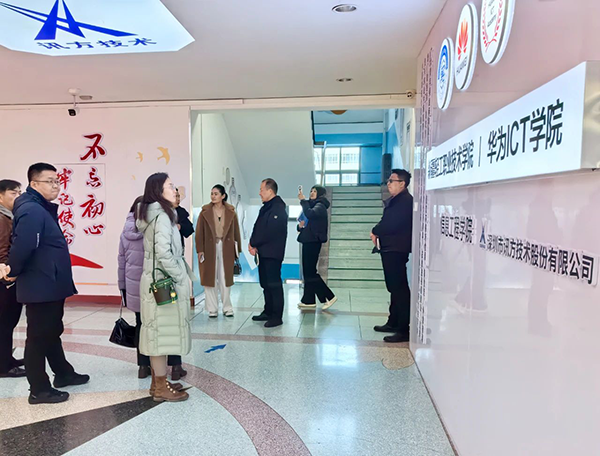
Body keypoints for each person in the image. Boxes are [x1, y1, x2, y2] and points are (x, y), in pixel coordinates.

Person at [7, 163, 89, 404]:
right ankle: (39, 389)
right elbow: (24, 245)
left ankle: (63, 373)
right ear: (34, 184)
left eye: (57, 181)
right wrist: (13, 271)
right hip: (41, 283)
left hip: (48, 281)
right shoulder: (32, 209)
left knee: (51, 331)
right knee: (38, 336)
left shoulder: (38, 207)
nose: (56, 186)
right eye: (50, 181)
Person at [137, 172, 192, 402]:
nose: (175, 190)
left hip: (155, 282)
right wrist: (180, 276)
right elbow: (163, 253)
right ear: (158, 192)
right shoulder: (162, 217)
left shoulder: (154, 214)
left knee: (158, 333)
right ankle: (160, 387)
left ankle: (157, 383)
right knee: (160, 336)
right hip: (164, 284)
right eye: (170, 186)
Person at [117, 196, 187, 380]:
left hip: (134, 288)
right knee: (168, 323)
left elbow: (121, 262)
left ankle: (143, 366)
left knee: (142, 325)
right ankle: (175, 366)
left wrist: (122, 287)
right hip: (158, 285)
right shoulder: (156, 227)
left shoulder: (125, 231)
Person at [371, 169, 413, 343]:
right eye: (388, 181)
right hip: (390, 249)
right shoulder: (397, 201)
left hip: (396, 249)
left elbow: (391, 224)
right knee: (394, 288)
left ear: (402, 183)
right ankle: (393, 322)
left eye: (391, 181)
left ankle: (403, 330)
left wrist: (375, 230)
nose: (388, 184)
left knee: (399, 289)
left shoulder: (404, 201)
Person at [196, 185, 242, 318]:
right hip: (209, 248)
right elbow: (199, 232)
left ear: (223, 196)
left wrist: (237, 250)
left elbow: (236, 232)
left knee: (225, 278)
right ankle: (212, 309)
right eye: (212, 193)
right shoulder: (204, 212)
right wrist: (200, 250)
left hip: (226, 246)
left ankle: (227, 307)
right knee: (209, 278)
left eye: (216, 194)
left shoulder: (231, 212)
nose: (213, 196)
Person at [249, 178, 288, 328]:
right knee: (266, 284)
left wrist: (255, 242)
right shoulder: (267, 207)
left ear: (270, 191)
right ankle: (268, 311)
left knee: (274, 284)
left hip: (272, 253)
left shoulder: (278, 208)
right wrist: (252, 242)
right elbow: (258, 227)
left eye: (261, 190)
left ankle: (277, 316)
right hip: (264, 252)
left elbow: (270, 231)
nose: (259, 193)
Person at [0, 179, 26, 378]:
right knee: (4, 323)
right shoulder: (2, 219)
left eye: (19, 192)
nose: (18, 196)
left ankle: (7, 359)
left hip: (7, 278)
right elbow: (2, 250)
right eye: (13, 193)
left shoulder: (9, 216)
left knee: (8, 323)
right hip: (4, 279)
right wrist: (7, 274)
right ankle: (4, 366)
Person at [297, 185, 337, 310]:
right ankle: (308, 300)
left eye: (315, 191)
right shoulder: (312, 205)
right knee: (308, 272)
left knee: (310, 272)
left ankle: (329, 296)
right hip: (308, 240)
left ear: (320, 194)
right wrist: (300, 227)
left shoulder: (320, 206)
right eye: (311, 191)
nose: (312, 193)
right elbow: (306, 221)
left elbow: (310, 214)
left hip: (313, 242)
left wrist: (303, 201)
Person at [175, 188, 194, 253]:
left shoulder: (181, 211)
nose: (178, 199)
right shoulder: (162, 211)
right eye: (175, 196)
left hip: (179, 248)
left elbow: (189, 229)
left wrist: (180, 226)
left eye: (178, 196)